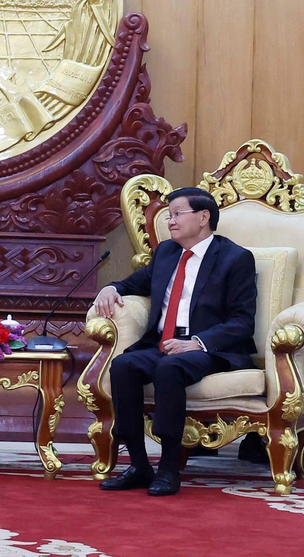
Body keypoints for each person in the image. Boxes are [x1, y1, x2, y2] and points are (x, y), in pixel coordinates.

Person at [93, 187, 256, 496]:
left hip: (209, 349)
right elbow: (133, 283)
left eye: (178, 214)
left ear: (203, 217)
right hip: (164, 343)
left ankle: (168, 469)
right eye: (169, 215)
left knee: (170, 368)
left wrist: (197, 342)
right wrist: (110, 288)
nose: (170, 221)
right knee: (124, 366)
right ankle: (139, 465)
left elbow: (242, 322)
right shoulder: (167, 252)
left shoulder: (235, 258)